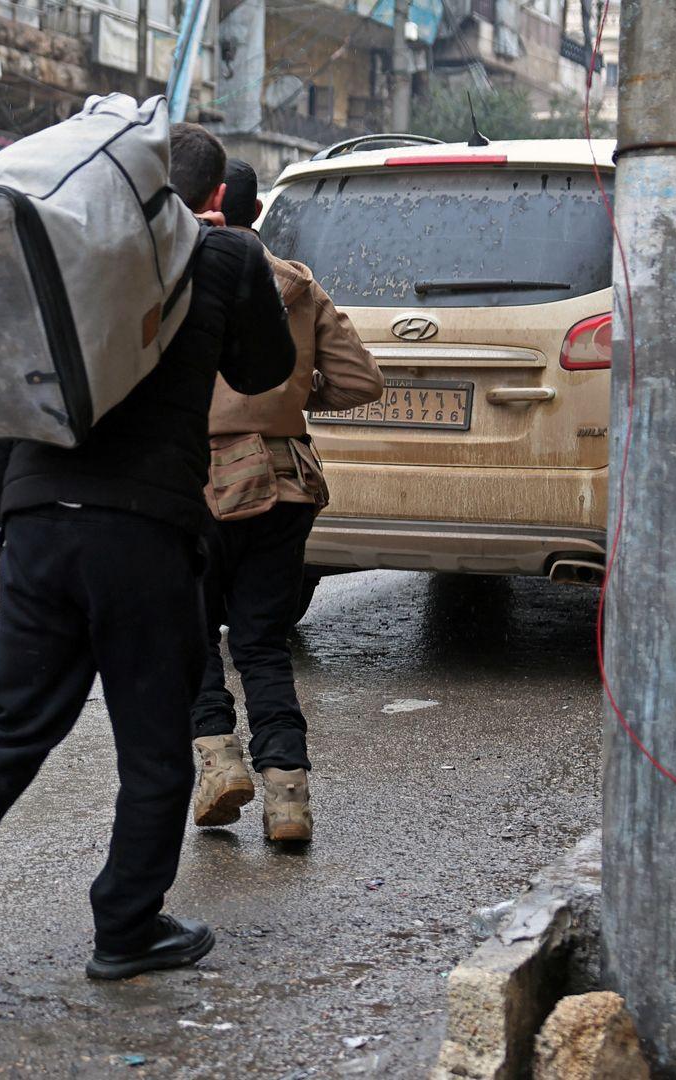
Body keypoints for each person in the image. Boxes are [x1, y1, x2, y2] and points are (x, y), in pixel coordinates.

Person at [0, 124, 297, 1018]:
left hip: (35, 521)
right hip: (142, 533)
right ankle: (125, 924)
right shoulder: (219, 258)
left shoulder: (56, 263)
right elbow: (266, 367)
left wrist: (5, 521)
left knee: (7, 735)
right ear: (209, 195)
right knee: (154, 750)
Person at [188, 160, 383, 842]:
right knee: (263, 645)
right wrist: (294, 396)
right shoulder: (297, 284)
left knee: (190, 635)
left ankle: (218, 764)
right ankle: (288, 802)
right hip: (286, 480)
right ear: (254, 207)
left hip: (198, 483)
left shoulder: (171, 275)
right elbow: (361, 380)